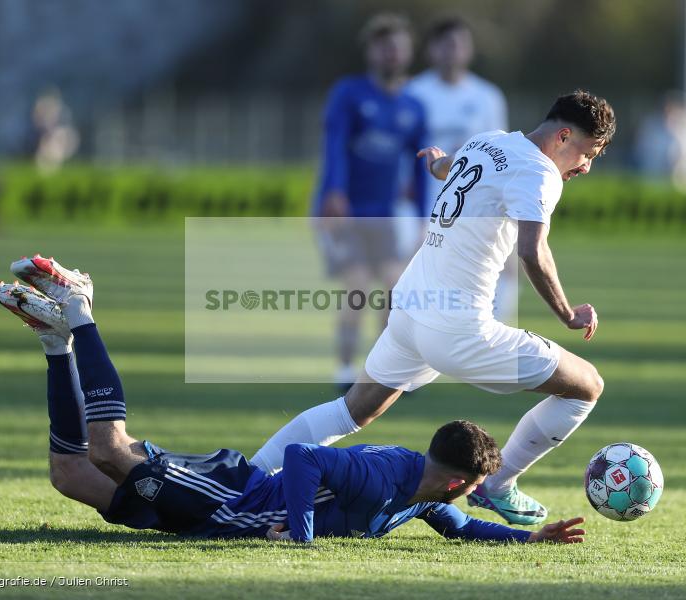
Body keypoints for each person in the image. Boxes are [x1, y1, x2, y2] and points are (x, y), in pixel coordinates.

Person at [0, 258, 584, 545]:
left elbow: (462, 529)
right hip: (230, 495)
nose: (472, 494)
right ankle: (83, 311)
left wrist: (531, 538)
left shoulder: (423, 499)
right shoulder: (384, 475)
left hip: (209, 522)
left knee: (70, 473)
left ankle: (56, 343)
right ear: (458, 480)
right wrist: (298, 532)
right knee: (108, 447)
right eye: (474, 485)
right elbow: (304, 458)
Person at [252, 90, 616, 526]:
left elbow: (450, 169)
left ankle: (250, 475)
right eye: (588, 152)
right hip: (459, 329)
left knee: (352, 410)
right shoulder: (540, 173)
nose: (586, 167)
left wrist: (436, 163)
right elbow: (533, 251)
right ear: (562, 136)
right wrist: (567, 313)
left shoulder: (489, 141)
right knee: (587, 385)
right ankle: (498, 486)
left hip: (410, 309)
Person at [314, 13, 428, 387]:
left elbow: (421, 165)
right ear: (370, 52)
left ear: (409, 51)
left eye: (397, 45)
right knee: (359, 288)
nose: (391, 53)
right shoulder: (349, 93)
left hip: (383, 215)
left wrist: (425, 216)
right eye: (383, 46)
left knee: (397, 290)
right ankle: (345, 370)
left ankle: (381, 374)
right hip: (344, 211)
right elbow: (334, 147)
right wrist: (335, 192)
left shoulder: (414, 106)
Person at [406, 15, 516, 323]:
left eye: (458, 44)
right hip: (424, 203)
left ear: (469, 50)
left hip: (475, 203)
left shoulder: (487, 96)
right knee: (416, 277)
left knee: (505, 266)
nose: (452, 51)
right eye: (444, 44)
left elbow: (499, 155)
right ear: (431, 50)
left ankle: (491, 333)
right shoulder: (414, 93)